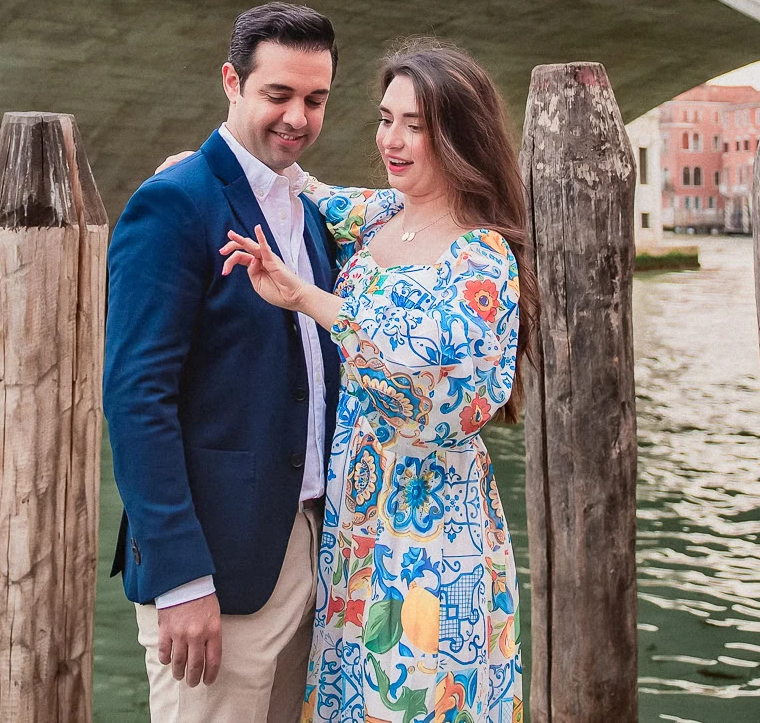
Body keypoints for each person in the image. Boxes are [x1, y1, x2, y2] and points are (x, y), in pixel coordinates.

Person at [219, 41, 528, 723]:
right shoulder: (385, 214)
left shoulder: (482, 253)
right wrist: (205, 167)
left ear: (459, 133)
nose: (393, 139)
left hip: (432, 542)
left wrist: (309, 299)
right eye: (386, 119)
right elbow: (306, 190)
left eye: (415, 125)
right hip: (358, 528)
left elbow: (437, 394)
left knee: (412, 701)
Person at [104, 2, 345, 723]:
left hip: (307, 546)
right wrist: (180, 577)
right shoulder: (173, 204)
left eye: (315, 99)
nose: (297, 117)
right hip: (213, 568)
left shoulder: (308, 207)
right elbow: (137, 397)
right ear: (232, 82)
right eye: (279, 95)